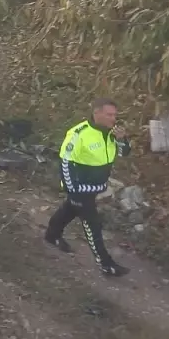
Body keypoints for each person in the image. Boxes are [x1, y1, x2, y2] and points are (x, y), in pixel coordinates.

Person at [44, 98, 132, 277]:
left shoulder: (110, 133)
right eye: (109, 115)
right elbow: (65, 162)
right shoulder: (79, 133)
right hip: (78, 187)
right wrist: (72, 189)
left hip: (95, 187)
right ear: (96, 113)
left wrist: (122, 140)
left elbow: (124, 153)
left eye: (115, 115)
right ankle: (106, 264)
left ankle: (52, 235)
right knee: (93, 224)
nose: (113, 119)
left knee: (69, 210)